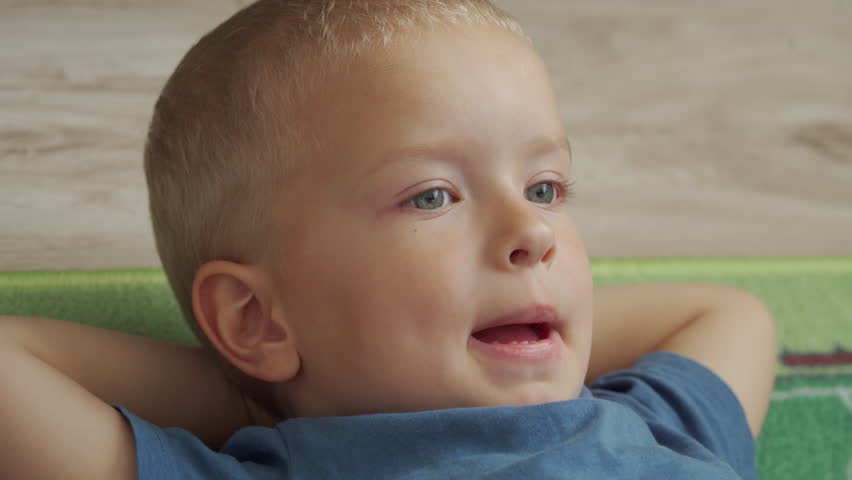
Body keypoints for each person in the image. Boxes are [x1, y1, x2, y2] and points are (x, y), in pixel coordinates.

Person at [0, 1, 777, 478]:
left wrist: (267, 380)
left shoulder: (655, 433)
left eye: (545, 187)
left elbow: (730, 313)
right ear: (252, 318)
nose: (532, 232)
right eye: (432, 195)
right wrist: (260, 384)